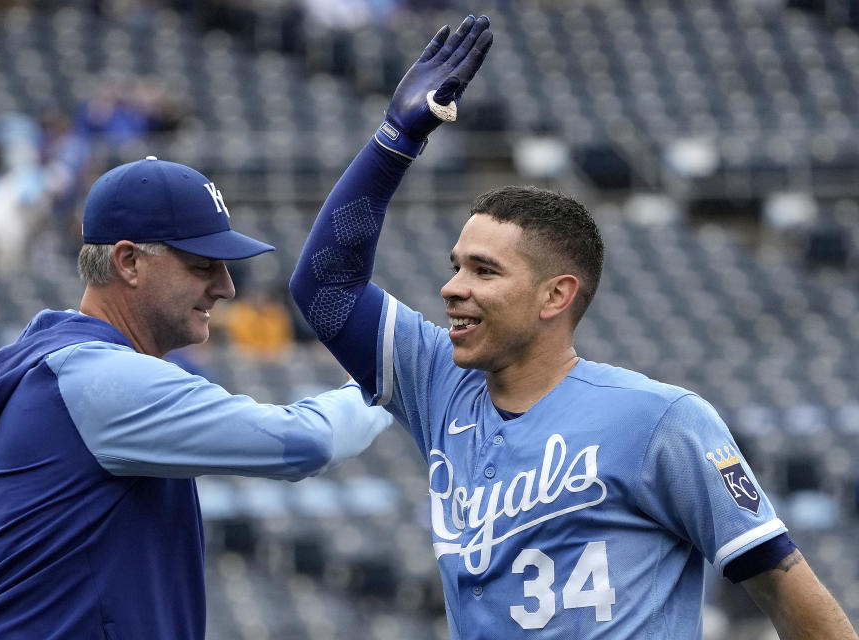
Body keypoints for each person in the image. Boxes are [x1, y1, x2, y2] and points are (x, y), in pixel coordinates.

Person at [290, 14, 858, 639]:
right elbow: (325, 288)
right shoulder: (438, 389)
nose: (452, 287)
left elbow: (781, 584)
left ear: (555, 295)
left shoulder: (660, 420)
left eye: (484, 270)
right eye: (456, 267)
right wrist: (396, 139)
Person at [0, 155, 392, 639]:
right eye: (201, 264)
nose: (225, 287)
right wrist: (390, 378)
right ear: (129, 261)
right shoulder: (94, 378)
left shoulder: (77, 367)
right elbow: (309, 441)